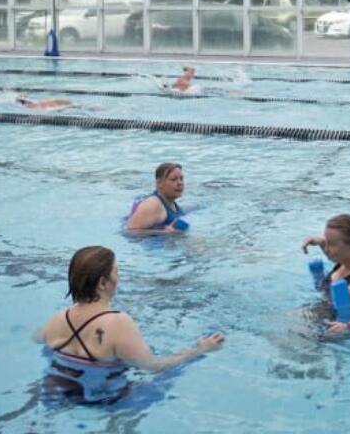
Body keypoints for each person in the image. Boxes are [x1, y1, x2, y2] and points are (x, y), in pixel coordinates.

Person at [36, 246, 224, 403]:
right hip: (105, 398)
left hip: (57, 390)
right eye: (116, 271)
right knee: (161, 384)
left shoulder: (57, 319)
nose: (119, 278)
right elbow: (153, 366)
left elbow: (42, 342)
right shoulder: (118, 322)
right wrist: (199, 350)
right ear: (103, 283)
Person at [125, 163, 187, 235]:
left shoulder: (171, 202)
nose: (180, 183)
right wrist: (164, 232)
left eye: (181, 179)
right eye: (173, 179)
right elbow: (130, 232)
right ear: (159, 183)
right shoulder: (153, 204)